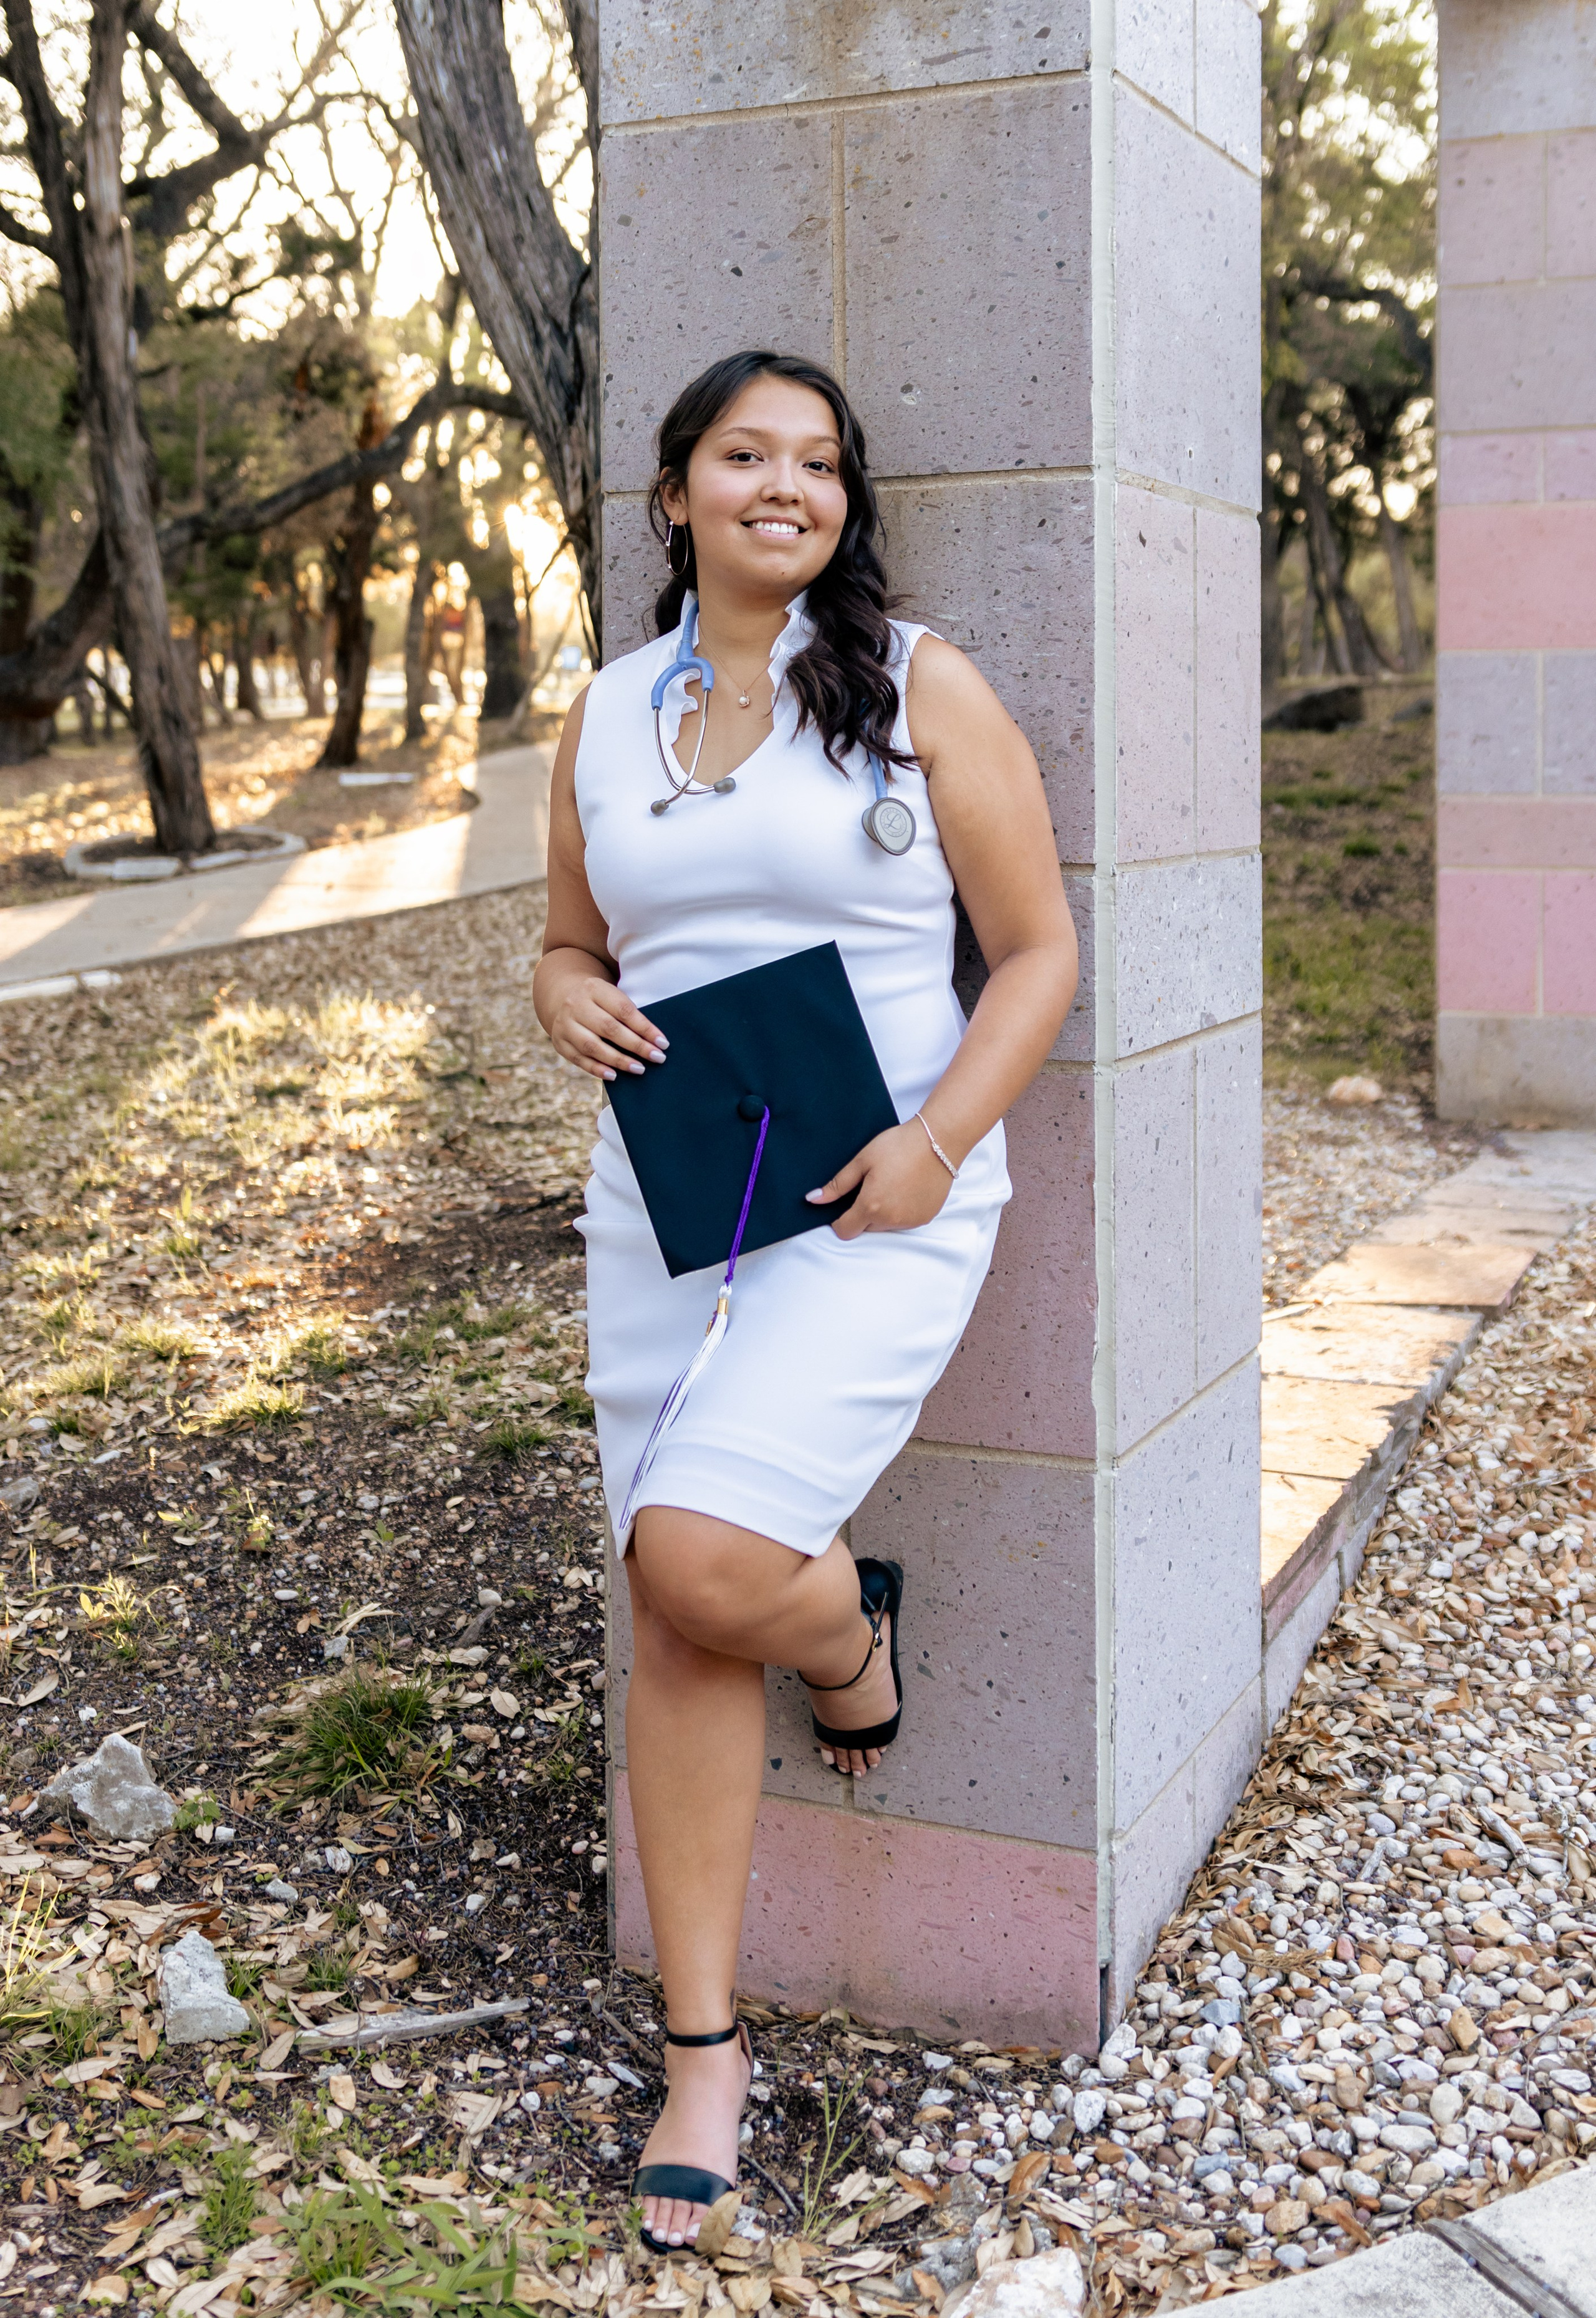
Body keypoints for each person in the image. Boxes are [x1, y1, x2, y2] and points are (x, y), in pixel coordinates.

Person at [533, 350, 1077, 2254]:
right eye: (747, 455)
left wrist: (937, 1141)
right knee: (671, 1602)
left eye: (821, 463)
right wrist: (559, 991)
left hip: (872, 1207)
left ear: (847, 503)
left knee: (700, 1556)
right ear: (675, 489)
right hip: (670, 1208)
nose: (788, 486)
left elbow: (1037, 952)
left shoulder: (919, 688)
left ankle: (844, 1639)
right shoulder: (608, 711)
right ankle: (704, 2048)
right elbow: (572, 938)